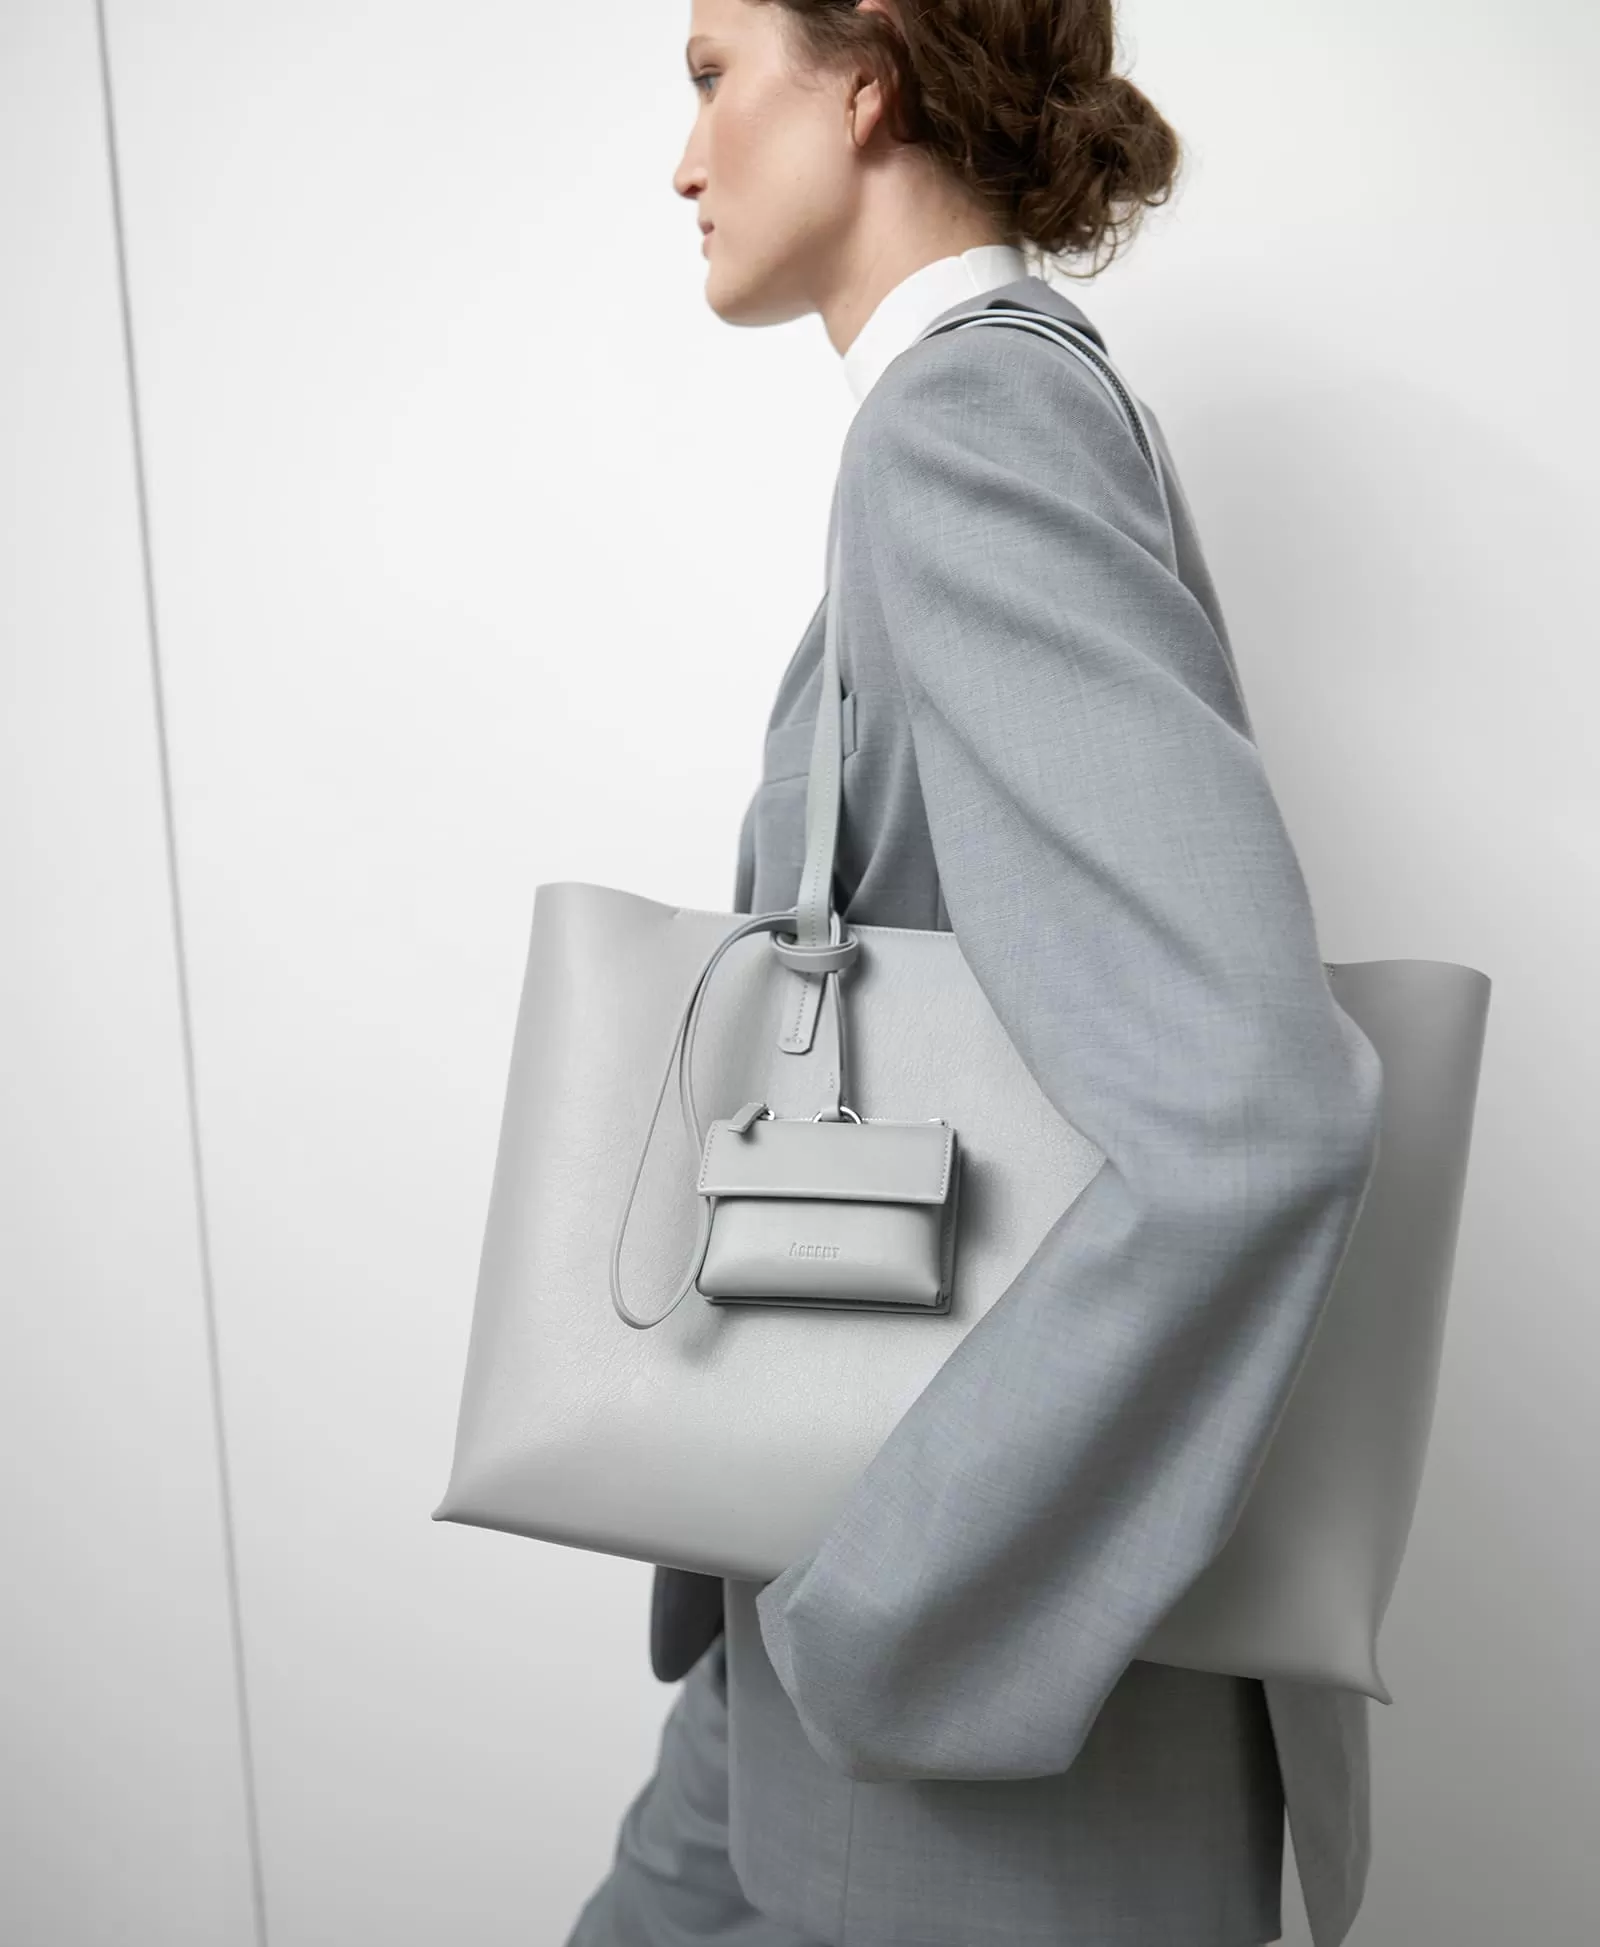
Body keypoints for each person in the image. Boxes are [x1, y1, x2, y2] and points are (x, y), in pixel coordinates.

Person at [568, 2, 1384, 1943]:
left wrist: (880, 1610)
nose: (682, 158)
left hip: (955, 1700)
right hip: (806, 1633)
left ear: (864, 78)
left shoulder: (968, 425)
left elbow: (1251, 1111)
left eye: (711, 74)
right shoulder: (989, 413)